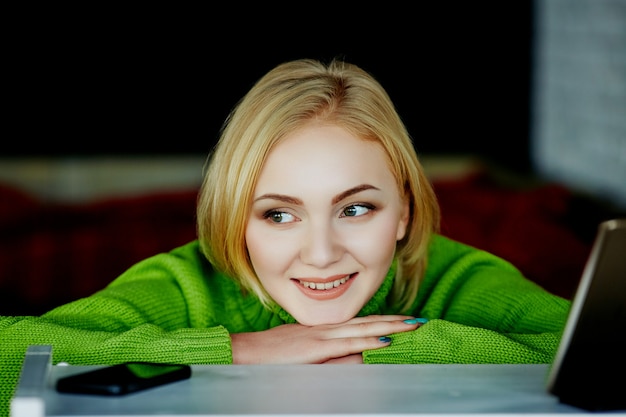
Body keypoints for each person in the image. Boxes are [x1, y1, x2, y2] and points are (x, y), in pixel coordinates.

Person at [0, 58, 571, 416]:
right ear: (235, 220)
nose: (321, 254)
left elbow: (596, 354)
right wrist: (238, 352)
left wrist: (384, 352)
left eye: (356, 208)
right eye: (278, 215)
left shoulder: (457, 275)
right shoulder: (187, 285)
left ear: (403, 214)